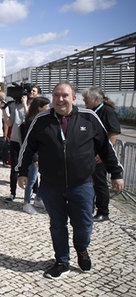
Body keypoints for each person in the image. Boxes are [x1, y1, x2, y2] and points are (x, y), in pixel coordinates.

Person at [16, 81, 124, 278]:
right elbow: (28, 147)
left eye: (65, 95)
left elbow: (106, 147)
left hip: (81, 184)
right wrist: (22, 171)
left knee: (83, 225)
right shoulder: (41, 120)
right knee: (57, 225)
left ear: (74, 98)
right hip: (51, 185)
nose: (60, 99)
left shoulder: (89, 118)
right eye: (56, 95)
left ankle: (81, 248)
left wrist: (116, 173)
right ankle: (62, 261)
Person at [82, 86, 121, 222]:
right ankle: (90, 206)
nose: (84, 100)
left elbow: (113, 134)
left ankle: (103, 211)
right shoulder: (91, 111)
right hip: (90, 154)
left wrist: (102, 154)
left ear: (96, 99)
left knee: (99, 183)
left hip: (101, 155)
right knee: (90, 182)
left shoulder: (107, 112)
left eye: (86, 98)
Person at [5, 84, 40, 202]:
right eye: (29, 91)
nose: (30, 93)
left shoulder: (38, 107)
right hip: (16, 139)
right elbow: (10, 123)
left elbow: (29, 117)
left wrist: (25, 104)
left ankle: (34, 192)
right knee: (14, 167)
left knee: (32, 167)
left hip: (30, 141)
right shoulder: (16, 104)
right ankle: (12, 192)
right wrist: (3, 111)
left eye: (33, 91)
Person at [18, 96, 50, 215]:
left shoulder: (43, 119)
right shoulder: (31, 121)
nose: (48, 108)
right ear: (40, 107)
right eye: (46, 106)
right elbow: (29, 142)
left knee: (44, 178)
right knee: (31, 180)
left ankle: (38, 198)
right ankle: (26, 203)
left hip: (44, 155)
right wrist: (35, 157)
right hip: (33, 156)